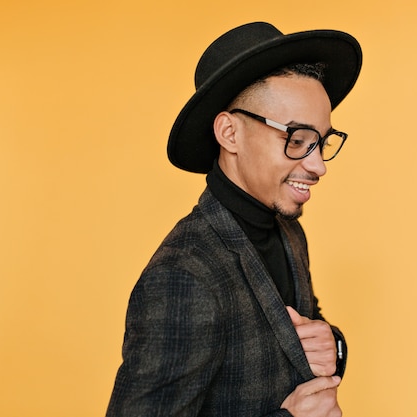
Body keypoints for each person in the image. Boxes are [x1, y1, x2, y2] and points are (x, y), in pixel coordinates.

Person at [106, 21, 362, 417]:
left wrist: (333, 342)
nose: (317, 165)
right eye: (296, 140)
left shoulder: (289, 230)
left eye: (321, 142)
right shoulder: (183, 275)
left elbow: (298, 333)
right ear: (229, 134)